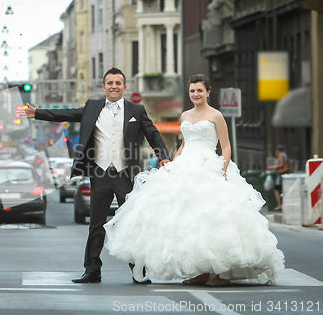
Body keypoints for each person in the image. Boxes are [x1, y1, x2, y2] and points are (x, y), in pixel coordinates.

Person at [104, 74, 285, 286]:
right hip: (186, 164)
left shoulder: (216, 115)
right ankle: (199, 271)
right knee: (186, 221)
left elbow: (226, 147)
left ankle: (220, 273)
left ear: (208, 92)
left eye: (200, 90)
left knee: (214, 218)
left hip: (209, 165)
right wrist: (173, 164)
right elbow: (183, 144)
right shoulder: (184, 115)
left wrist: (223, 169)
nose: (195, 94)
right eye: (192, 91)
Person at [18, 67, 170, 284]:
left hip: (125, 174)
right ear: (104, 86)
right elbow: (68, 113)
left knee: (130, 224)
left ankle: (139, 272)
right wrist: (38, 114)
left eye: (118, 83)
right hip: (99, 174)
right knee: (95, 225)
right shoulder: (92, 107)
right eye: (110, 83)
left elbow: (152, 133)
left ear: (124, 87)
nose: (114, 86)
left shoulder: (136, 110)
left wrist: (163, 155)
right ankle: (92, 270)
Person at [268, 145, 289, 211]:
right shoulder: (285, 155)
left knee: (276, 189)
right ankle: (282, 204)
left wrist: (273, 167)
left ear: (277, 151)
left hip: (280, 175)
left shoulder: (281, 155)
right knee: (282, 189)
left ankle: (279, 205)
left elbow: (281, 164)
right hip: (283, 174)